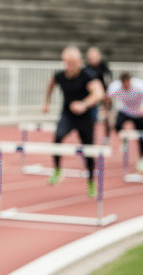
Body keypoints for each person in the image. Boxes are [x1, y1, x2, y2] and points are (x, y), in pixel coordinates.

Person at [42, 45, 106, 198]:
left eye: (72, 63)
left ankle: (91, 181)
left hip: (85, 118)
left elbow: (99, 93)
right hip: (68, 115)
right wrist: (46, 102)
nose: (69, 66)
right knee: (57, 137)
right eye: (66, 63)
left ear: (79, 62)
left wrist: (84, 104)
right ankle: (57, 169)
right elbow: (51, 84)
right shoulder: (60, 76)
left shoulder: (87, 75)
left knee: (88, 152)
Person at [104, 72, 143, 173]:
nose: (126, 86)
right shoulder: (115, 87)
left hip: (139, 112)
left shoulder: (140, 85)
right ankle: (124, 140)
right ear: (121, 83)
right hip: (124, 110)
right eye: (123, 84)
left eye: (127, 83)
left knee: (141, 137)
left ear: (130, 81)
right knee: (116, 125)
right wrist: (108, 112)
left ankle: (142, 159)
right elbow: (107, 99)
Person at [86, 46, 113, 141]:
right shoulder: (87, 67)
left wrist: (107, 97)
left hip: (105, 95)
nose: (92, 59)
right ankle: (90, 137)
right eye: (90, 57)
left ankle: (107, 137)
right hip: (92, 95)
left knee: (107, 116)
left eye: (94, 57)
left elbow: (108, 80)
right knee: (91, 118)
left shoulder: (104, 66)